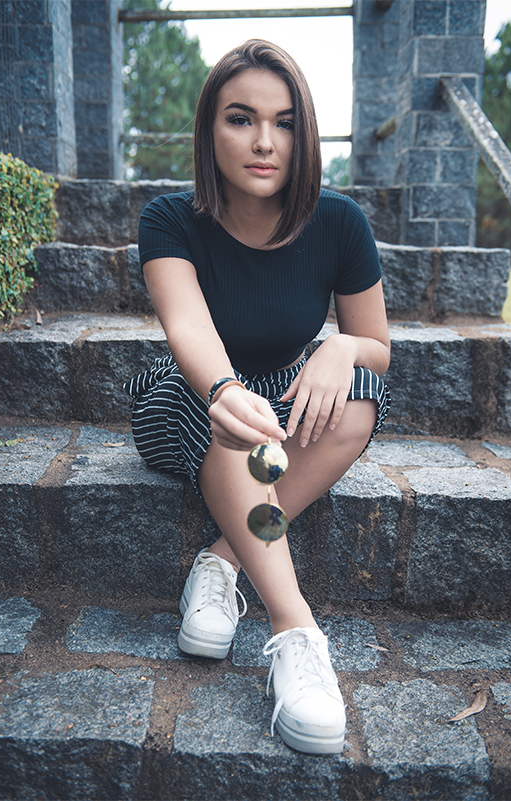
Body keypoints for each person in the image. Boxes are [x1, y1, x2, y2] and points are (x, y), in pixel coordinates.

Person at [126, 39, 390, 755]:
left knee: (360, 398)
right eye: (241, 119)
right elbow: (186, 325)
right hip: (188, 394)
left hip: (277, 400)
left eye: (285, 122)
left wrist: (339, 347)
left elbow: (378, 346)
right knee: (241, 422)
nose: (265, 142)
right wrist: (224, 390)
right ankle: (294, 625)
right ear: (210, 130)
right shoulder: (169, 219)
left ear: (304, 133)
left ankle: (223, 559)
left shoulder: (339, 223)